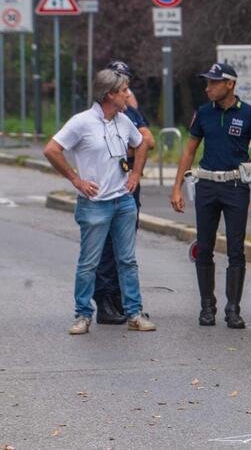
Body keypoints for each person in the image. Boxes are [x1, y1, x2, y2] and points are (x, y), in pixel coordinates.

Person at [43, 69, 156, 334]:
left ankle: (134, 314)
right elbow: (51, 149)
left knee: (127, 260)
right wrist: (76, 179)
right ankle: (82, 315)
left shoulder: (123, 120)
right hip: (94, 205)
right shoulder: (81, 122)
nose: (128, 95)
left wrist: (137, 174)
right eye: (124, 90)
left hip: (123, 202)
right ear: (109, 94)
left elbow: (142, 144)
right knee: (89, 263)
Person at [170, 63, 251, 329]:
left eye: (213, 82)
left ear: (230, 84)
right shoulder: (203, 113)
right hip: (207, 186)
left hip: (236, 187)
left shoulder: (248, 114)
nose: (208, 87)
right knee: (204, 246)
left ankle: (233, 308)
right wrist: (177, 187)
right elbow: (189, 151)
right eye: (207, 82)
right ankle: (207, 306)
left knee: (236, 249)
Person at [93, 61, 155, 325]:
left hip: (127, 184)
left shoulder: (128, 110)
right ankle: (105, 301)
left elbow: (147, 141)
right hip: (107, 187)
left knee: (124, 247)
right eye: (121, 83)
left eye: (127, 82)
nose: (126, 90)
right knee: (106, 247)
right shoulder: (101, 114)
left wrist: (134, 167)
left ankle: (119, 299)